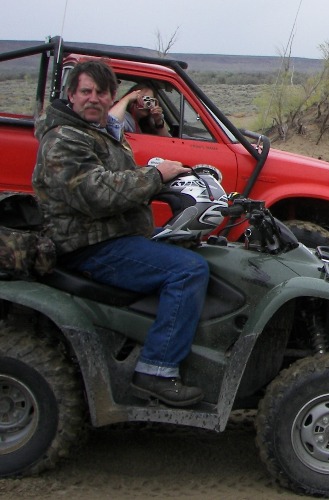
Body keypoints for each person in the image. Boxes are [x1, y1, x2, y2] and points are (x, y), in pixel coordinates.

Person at [32, 60, 209, 407]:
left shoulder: (98, 131)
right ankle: (157, 369)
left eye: (101, 92)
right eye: (86, 91)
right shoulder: (63, 139)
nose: (93, 98)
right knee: (188, 271)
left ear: (112, 96)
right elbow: (95, 192)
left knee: (200, 248)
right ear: (71, 95)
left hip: (113, 232)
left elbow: (117, 180)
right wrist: (156, 176)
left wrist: (171, 184)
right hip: (89, 244)